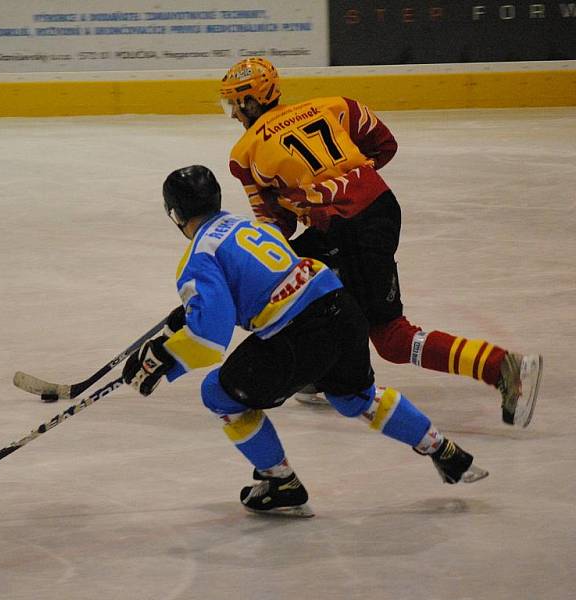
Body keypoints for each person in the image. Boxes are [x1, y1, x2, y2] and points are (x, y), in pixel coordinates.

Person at [122, 165, 488, 517]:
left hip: (299, 334)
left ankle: (280, 483)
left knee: (217, 393)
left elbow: (209, 339)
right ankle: (445, 451)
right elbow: (250, 288)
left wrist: (162, 360)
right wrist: (191, 316)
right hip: (342, 309)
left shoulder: (198, 257)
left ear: (174, 214)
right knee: (353, 398)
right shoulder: (250, 227)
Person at [218, 57, 542, 426]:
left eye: (234, 104)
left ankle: (502, 367)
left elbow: (276, 224)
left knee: (390, 337)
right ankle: (325, 372)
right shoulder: (336, 105)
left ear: (251, 101)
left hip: (348, 227)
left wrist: (257, 248)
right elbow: (384, 145)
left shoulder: (244, 153)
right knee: (308, 281)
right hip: (378, 207)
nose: (232, 114)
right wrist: (348, 182)